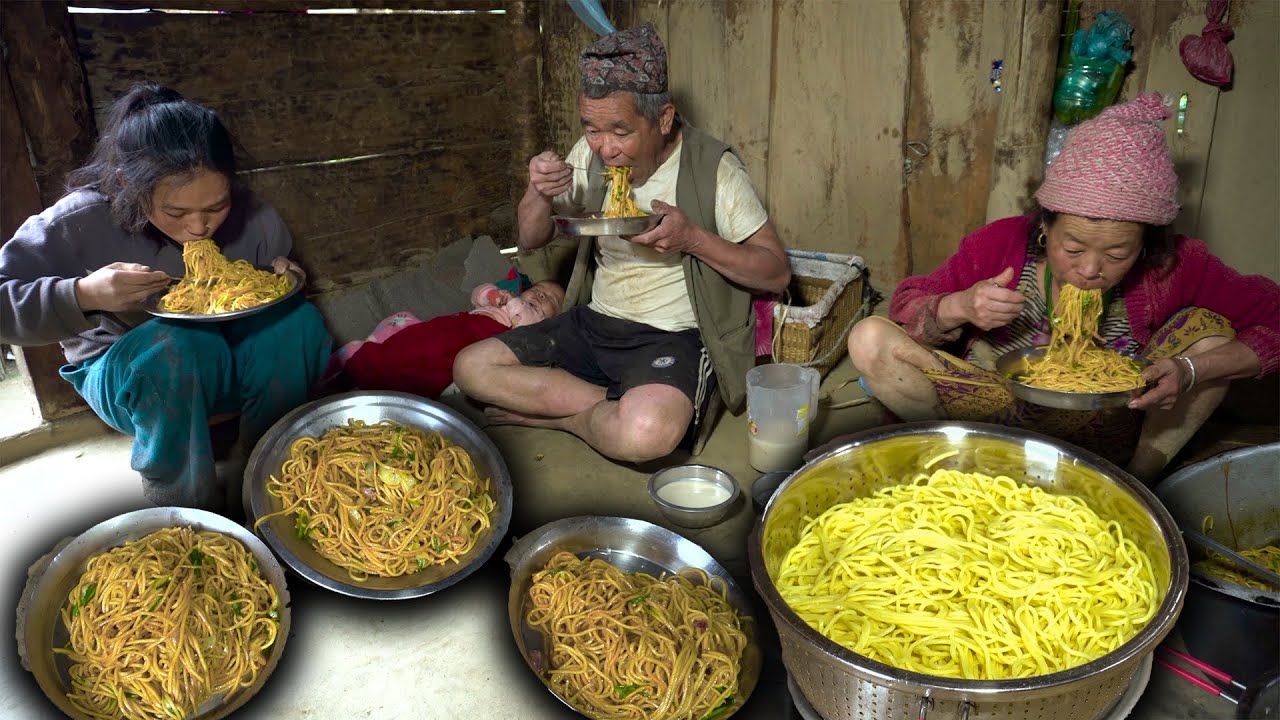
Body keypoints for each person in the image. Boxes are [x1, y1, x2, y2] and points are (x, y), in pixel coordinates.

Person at [845, 93, 1280, 482]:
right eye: (1072, 248)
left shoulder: (1179, 262)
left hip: (1116, 415)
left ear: (1147, 242)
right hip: (995, 406)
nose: (1090, 270)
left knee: (1209, 329)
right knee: (869, 337)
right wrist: (959, 306)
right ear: (1044, 225)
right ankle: (957, 464)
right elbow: (906, 306)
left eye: (1116, 255)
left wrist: (1189, 372)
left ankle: (1135, 482)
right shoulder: (1000, 243)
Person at [453, 23, 790, 463]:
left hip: (673, 336)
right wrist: (536, 191)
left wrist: (693, 238)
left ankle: (563, 417)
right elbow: (532, 239)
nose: (604, 148)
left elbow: (776, 272)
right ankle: (608, 405)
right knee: (470, 368)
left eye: (620, 131)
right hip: (596, 322)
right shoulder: (589, 155)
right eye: (591, 129)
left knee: (646, 433)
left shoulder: (714, 171)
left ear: (663, 119)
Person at [0, 82, 332, 511]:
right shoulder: (79, 220)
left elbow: (278, 280)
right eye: (176, 212)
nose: (200, 227)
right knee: (177, 344)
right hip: (134, 376)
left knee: (297, 322)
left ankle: (267, 475)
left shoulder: (255, 216)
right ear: (128, 184)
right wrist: (83, 294)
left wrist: (288, 277)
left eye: (216, 206)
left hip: (232, 367)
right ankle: (183, 510)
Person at [333, 280, 565, 400]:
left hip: (476, 341)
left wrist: (515, 303)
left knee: (430, 357)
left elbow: (523, 320)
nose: (541, 295)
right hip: (455, 324)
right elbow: (478, 293)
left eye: (551, 300)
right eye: (537, 289)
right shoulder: (504, 297)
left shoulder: (537, 328)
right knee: (412, 339)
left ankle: (380, 381)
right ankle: (363, 364)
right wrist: (493, 295)